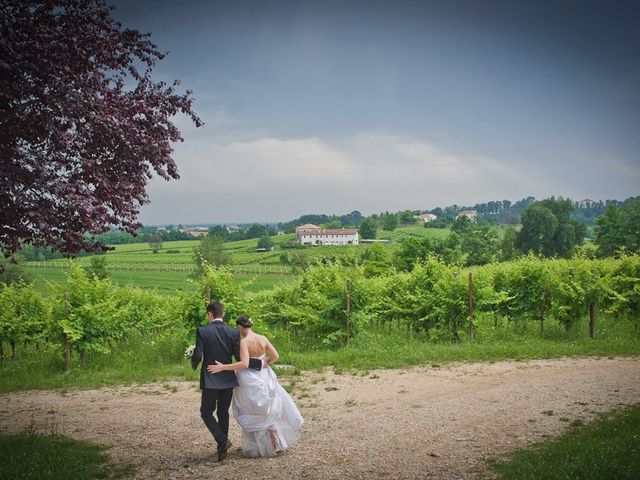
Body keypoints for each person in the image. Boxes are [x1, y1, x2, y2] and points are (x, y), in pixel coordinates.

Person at [208, 315, 304, 458]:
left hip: (249, 377)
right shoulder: (263, 338)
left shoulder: (244, 342)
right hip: (265, 374)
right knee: (267, 408)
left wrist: (223, 367)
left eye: (237, 327)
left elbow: (244, 364)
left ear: (240, 327)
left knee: (252, 409)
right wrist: (265, 362)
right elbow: (276, 355)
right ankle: (273, 439)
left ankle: (260, 444)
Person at [191, 301, 262, 462]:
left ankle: (222, 441)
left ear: (210, 314)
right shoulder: (233, 333)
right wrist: (259, 364)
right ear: (222, 314)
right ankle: (222, 450)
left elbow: (198, 355)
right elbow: (239, 358)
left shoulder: (202, 331)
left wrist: (194, 364)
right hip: (228, 379)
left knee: (206, 412)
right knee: (223, 412)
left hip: (210, 378)